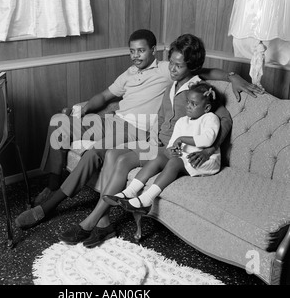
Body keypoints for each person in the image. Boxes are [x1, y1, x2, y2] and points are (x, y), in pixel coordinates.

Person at [16, 30, 263, 231]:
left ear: (153, 51)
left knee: (101, 153)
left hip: (146, 134)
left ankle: (63, 209)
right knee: (70, 130)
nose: (174, 68)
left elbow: (209, 82)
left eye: (141, 50)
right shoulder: (166, 79)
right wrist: (81, 111)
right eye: (132, 51)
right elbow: (106, 95)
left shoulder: (176, 74)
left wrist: (231, 76)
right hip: (138, 131)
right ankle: (82, 208)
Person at [106, 81, 221, 214]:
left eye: (194, 104)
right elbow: (173, 144)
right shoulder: (182, 121)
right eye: (188, 102)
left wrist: (181, 139)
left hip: (203, 161)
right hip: (185, 157)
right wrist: (173, 149)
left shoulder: (210, 118)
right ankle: (129, 192)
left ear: (206, 108)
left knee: (175, 162)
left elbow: (207, 140)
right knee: (158, 158)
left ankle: (146, 200)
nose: (188, 106)